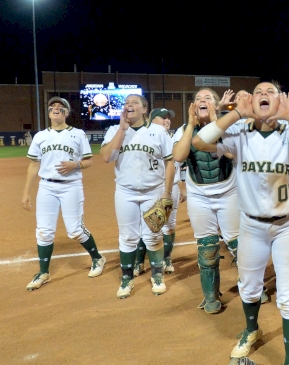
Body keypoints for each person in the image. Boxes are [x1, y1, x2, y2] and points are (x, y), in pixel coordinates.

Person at [192, 83, 289, 365]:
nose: (264, 94)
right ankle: (251, 329)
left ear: (280, 100)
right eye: (258, 92)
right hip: (252, 225)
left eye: (271, 91)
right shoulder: (240, 133)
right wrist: (234, 114)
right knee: (250, 287)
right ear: (251, 103)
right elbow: (201, 143)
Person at [22, 97, 105, 291]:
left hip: (71, 186)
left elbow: (89, 161)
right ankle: (44, 272)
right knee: (44, 231)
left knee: (75, 229)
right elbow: (34, 165)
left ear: (67, 113)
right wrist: (26, 192)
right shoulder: (40, 136)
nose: (56, 108)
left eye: (61, 107)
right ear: (49, 112)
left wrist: (75, 165)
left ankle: (98, 258)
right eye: (52, 107)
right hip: (47, 187)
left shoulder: (77, 134)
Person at [172, 88, 242, 313]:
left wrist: (215, 120)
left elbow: (232, 154)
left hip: (229, 193)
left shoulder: (229, 127)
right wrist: (191, 125)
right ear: (192, 106)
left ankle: (252, 285)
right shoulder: (183, 130)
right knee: (207, 247)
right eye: (198, 99)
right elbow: (179, 156)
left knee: (238, 244)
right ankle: (210, 295)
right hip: (199, 196)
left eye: (208, 98)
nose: (202, 101)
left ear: (216, 104)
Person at [100, 94, 175, 299]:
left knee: (153, 236)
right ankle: (127, 278)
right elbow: (106, 157)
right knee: (128, 237)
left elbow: (170, 163)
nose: (128, 105)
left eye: (134, 102)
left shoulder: (158, 131)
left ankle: (157, 275)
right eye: (126, 103)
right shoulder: (115, 130)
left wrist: (167, 192)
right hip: (125, 192)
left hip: (153, 191)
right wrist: (123, 129)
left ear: (144, 109)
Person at [135, 108, 184, 275]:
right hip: (152, 186)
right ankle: (139, 262)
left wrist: (181, 186)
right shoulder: (143, 136)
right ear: (152, 119)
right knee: (147, 225)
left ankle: (167, 259)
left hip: (172, 186)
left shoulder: (174, 137)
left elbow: (180, 164)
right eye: (163, 117)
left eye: (168, 118)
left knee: (169, 226)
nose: (167, 120)